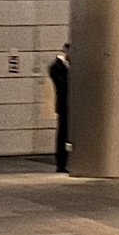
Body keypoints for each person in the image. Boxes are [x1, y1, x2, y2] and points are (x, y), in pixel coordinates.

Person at [47, 44, 70, 173]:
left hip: (71, 105)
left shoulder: (67, 66)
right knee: (63, 134)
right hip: (64, 105)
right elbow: (63, 85)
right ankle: (61, 163)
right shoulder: (57, 67)